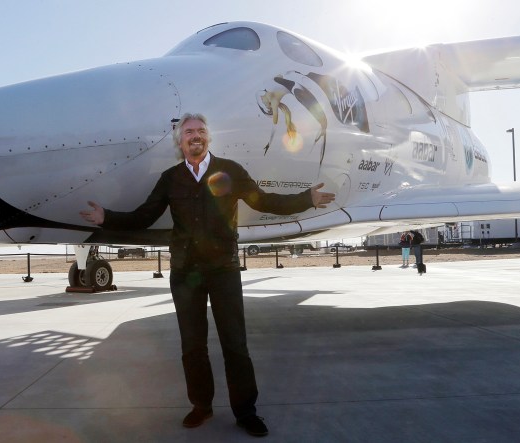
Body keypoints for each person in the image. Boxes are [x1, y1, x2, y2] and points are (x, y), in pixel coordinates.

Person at [80, 113, 335, 437]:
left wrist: (306, 199)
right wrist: (107, 217)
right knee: (192, 346)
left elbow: (264, 201)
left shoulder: (230, 171)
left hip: (223, 270)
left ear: (208, 137)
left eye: (200, 130)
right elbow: (145, 216)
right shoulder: (170, 179)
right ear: (180, 140)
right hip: (186, 273)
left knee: (235, 345)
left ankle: (246, 412)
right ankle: (201, 406)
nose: (195, 135)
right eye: (189, 131)